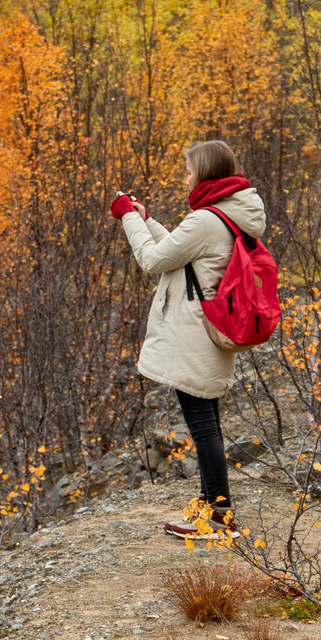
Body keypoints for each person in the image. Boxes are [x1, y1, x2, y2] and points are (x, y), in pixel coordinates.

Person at [112, 139, 267, 537]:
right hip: (210, 332)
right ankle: (211, 504)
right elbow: (179, 252)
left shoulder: (206, 220)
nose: (186, 176)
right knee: (208, 422)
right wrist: (146, 220)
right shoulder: (226, 215)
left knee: (203, 427)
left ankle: (220, 516)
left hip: (195, 336)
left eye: (188, 170)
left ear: (205, 172)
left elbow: (152, 259)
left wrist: (128, 217)